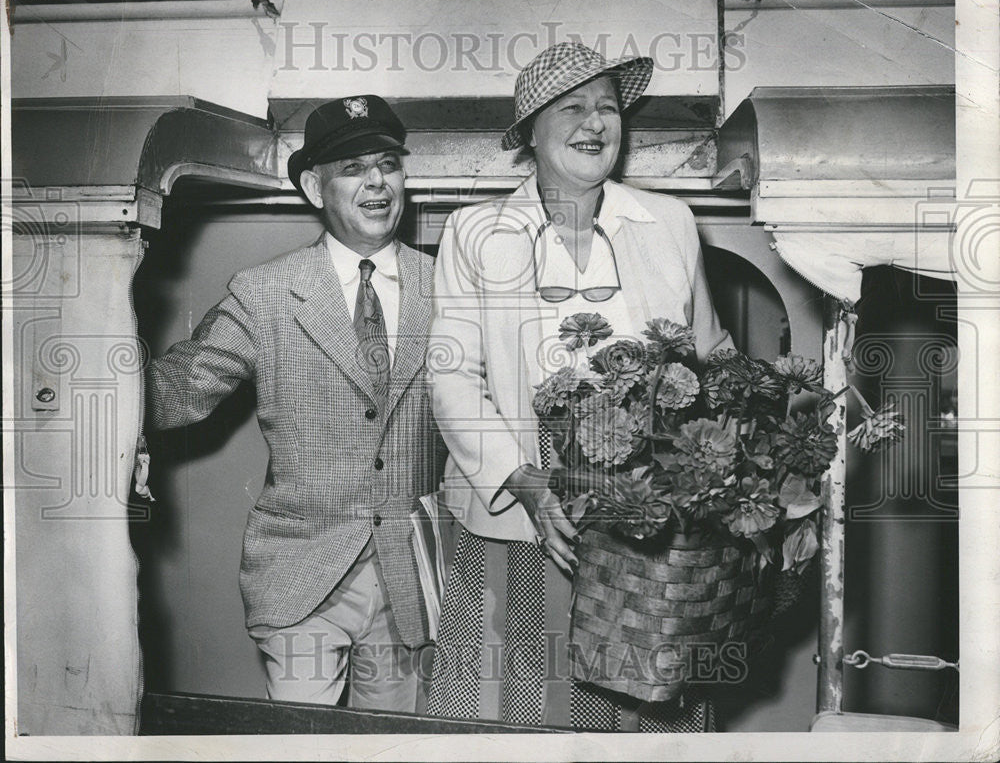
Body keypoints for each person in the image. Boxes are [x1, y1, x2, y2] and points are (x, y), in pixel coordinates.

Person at [426, 43, 733, 730]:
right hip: (524, 523)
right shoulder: (475, 232)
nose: (595, 121)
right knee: (521, 709)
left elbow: (712, 361)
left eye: (607, 107)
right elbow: (452, 377)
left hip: (654, 533)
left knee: (641, 717)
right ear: (529, 133)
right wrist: (527, 484)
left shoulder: (672, 223)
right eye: (572, 107)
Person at [146, 95, 444, 712]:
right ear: (314, 186)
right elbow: (176, 395)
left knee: (391, 748)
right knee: (300, 744)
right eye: (353, 169)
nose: (377, 183)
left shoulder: (449, 284)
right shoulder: (265, 293)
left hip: (414, 577)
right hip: (303, 573)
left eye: (388, 164)